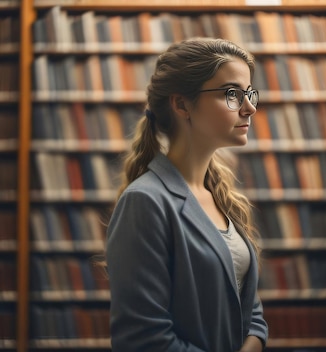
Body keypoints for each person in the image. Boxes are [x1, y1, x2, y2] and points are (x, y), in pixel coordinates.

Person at [105, 37, 268, 352]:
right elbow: (142, 339)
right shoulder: (146, 201)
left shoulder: (221, 195)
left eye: (249, 94)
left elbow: (246, 303)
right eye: (232, 94)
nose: (250, 107)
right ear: (181, 105)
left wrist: (253, 342)